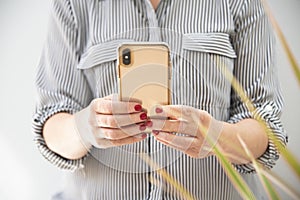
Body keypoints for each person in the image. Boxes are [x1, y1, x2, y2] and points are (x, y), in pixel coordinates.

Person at [32, 0, 287, 199]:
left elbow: (265, 125)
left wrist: (216, 137)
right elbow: (50, 122)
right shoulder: (74, 4)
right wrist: (85, 128)